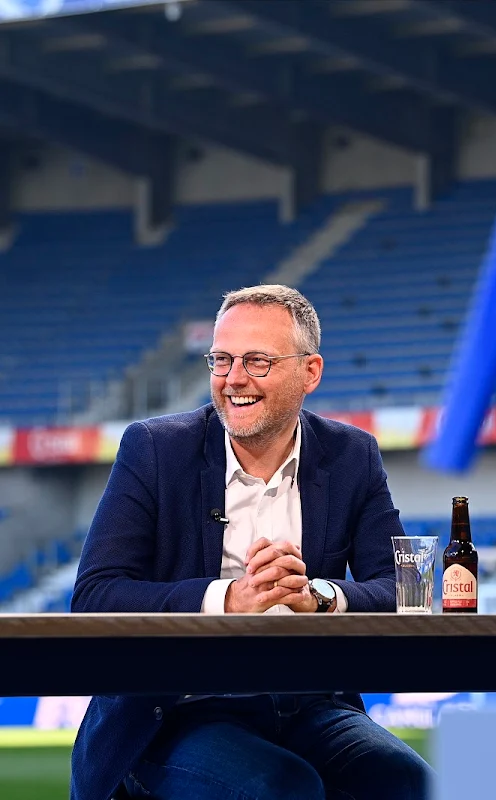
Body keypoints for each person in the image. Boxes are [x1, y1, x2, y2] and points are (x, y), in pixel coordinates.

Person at [69, 285, 434, 800]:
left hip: (312, 703)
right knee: (283, 787)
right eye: (221, 360)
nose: (234, 379)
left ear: (310, 372)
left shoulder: (352, 454)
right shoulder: (154, 448)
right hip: (178, 710)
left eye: (257, 361)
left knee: (409, 782)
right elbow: (95, 597)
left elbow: (407, 590)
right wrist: (228, 600)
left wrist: (318, 598)